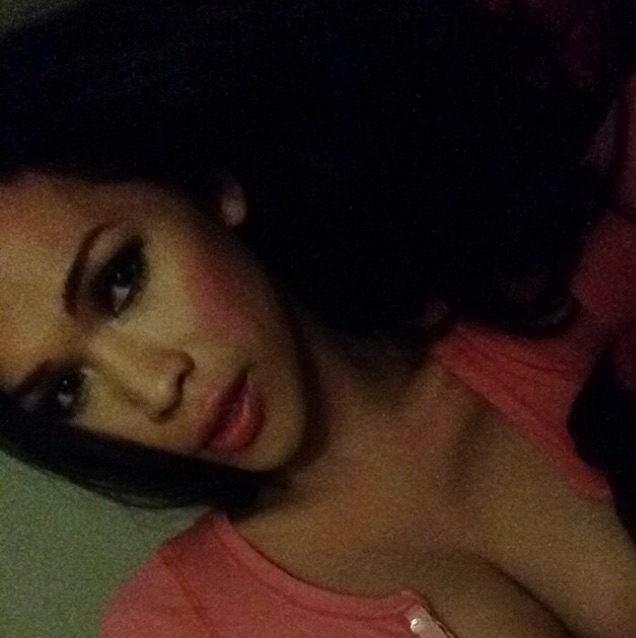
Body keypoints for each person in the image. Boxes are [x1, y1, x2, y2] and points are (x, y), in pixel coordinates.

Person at [0, 0, 636, 636]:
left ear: (210, 186)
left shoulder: (564, 287)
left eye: (120, 281)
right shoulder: (180, 624)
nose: (155, 388)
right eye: (66, 390)